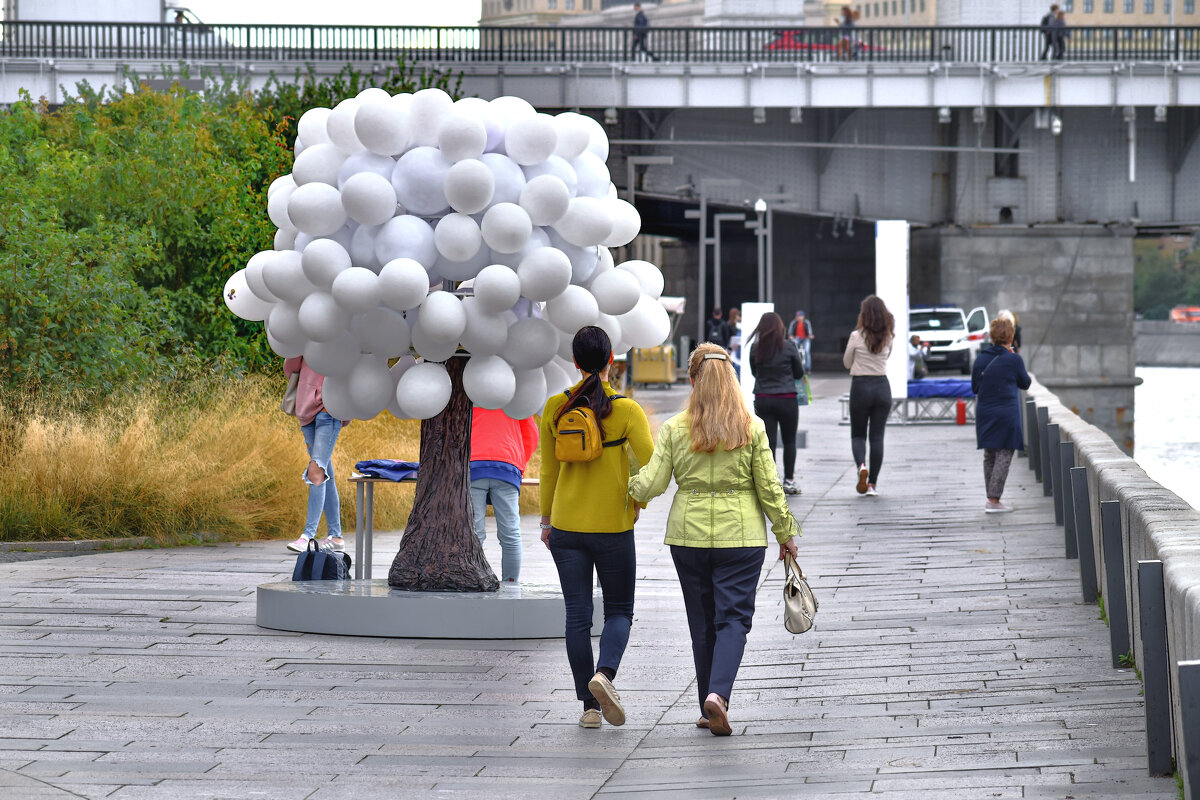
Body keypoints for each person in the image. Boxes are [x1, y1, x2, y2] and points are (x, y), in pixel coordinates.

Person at [628, 343, 800, 737]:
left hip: (687, 538)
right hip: (741, 538)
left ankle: (708, 706)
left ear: (692, 380)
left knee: (701, 621)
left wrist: (629, 491)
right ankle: (718, 696)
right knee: (734, 618)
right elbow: (770, 486)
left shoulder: (675, 427)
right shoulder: (751, 427)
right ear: (732, 380)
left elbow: (652, 482)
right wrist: (786, 533)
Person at [539, 326, 654, 730]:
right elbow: (651, 464)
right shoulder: (625, 411)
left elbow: (548, 470)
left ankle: (589, 708)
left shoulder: (555, 407)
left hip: (567, 527)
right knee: (620, 609)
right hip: (612, 526)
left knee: (577, 617)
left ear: (574, 362)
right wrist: (637, 498)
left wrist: (546, 521)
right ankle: (604, 674)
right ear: (611, 361)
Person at [283, 356, 346, 553]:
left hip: (330, 410)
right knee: (326, 473)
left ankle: (307, 536)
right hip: (305, 410)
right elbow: (291, 368)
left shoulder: (343, 337)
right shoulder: (306, 335)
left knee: (316, 470)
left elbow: (352, 371)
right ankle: (336, 536)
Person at [470, 408, 539, 584]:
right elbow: (531, 435)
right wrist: (519, 464)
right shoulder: (516, 397)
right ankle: (511, 584)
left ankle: (473, 580)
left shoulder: (469, 393)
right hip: (507, 465)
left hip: (473, 466)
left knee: (474, 532)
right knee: (510, 534)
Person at [972, 317, 1031, 513]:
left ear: (991, 335)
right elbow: (1025, 383)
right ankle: (993, 500)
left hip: (985, 413)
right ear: (1011, 336)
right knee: (1005, 454)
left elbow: (974, 387)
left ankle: (992, 497)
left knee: (990, 455)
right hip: (1006, 413)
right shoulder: (1014, 359)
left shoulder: (981, 358)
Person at [842, 295, 894, 497]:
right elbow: (887, 357)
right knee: (877, 436)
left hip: (861, 386)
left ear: (863, 314)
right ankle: (872, 484)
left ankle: (861, 466)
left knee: (858, 434)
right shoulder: (888, 336)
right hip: (882, 386)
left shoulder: (856, 336)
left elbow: (847, 362)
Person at [748, 313, 804, 496]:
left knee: (768, 442)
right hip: (787, 398)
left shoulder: (756, 348)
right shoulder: (789, 346)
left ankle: (770, 482)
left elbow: (755, 372)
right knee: (789, 441)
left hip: (764, 398)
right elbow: (798, 373)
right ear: (781, 328)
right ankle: (788, 481)